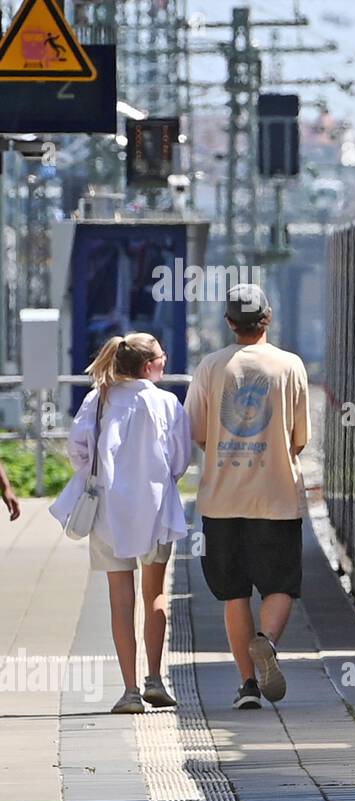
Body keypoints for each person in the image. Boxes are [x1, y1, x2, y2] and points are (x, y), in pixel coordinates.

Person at [50, 333, 191, 714]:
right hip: (158, 510)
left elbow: (78, 449)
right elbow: (180, 460)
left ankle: (129, 690)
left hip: (108, 513)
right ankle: (155, 679)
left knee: (120, 600)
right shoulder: (167, 403)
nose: (165, 361)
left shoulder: (99, 398)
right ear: (148, 366)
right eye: (162, 357)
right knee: (155, 595)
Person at [185, 284, 310, 710]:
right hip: (275, 498)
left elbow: (197, 432)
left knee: (233, 593)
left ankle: (248, 686)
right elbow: (300, 439)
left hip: (222, 501)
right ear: (268, 319)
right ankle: (267, 642)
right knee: (280, 586)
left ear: (228, 323)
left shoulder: (210, 366)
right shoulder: (290, 366)